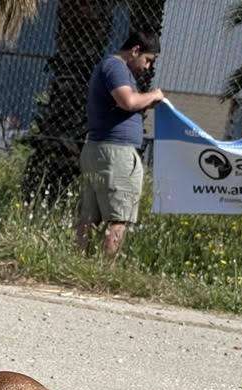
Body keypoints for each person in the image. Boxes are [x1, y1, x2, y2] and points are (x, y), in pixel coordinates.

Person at [75, 31, 165, 256]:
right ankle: (107, 271)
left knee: (90, 215)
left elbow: (127, 103)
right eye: (147, 60)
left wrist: (144, 103)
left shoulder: (109, 67)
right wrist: (153, 95)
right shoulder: (116, 68)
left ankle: (78, 260)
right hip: (116, 154)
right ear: (135, 50)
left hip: (99, 149)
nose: (146, 67)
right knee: (119, 216)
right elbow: (128, 101)